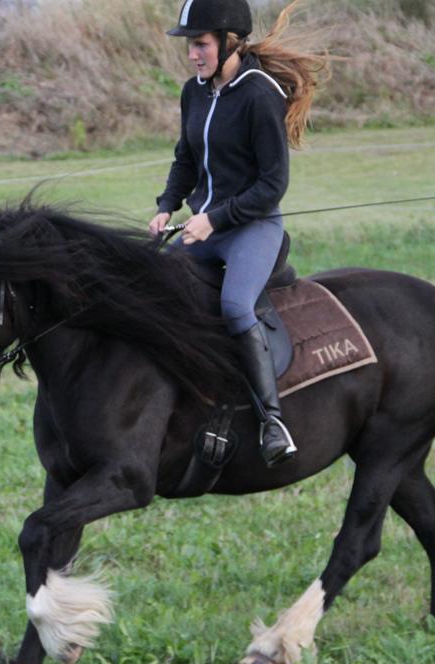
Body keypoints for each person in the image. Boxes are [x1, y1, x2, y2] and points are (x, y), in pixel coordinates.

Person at [148, 0, 327, 468]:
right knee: (155, 291)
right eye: (190, 45)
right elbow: (185, 159)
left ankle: (272, 422)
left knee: (233, 306)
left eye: (201, 44)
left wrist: (216, 218)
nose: (193, 54)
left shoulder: (259, 94)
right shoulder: (195, 92)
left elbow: (272, 184)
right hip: (202, 227)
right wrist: (167, 206)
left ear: (229, 42)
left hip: (251, 227)